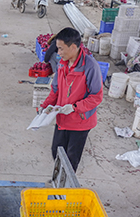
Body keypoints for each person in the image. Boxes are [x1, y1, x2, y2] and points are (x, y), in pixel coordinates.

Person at [39, 27, 103, 172]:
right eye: (58, 48)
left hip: (80, 121)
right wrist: (45, 105)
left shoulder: (90, 67)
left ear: (73, 47)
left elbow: (96, 96)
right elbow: (55, 89)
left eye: (61, 49)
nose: (59, 52)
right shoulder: (62, 63)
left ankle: (65, 189)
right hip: (62, 118)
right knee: (56, 151)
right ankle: (58, 180)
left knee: (71, 159)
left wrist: (74, 107)